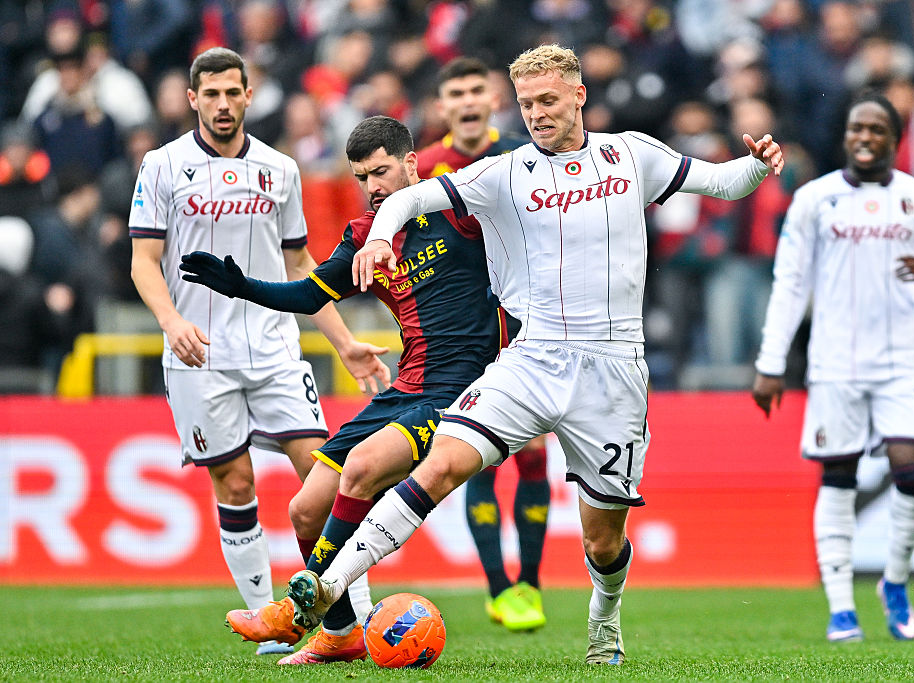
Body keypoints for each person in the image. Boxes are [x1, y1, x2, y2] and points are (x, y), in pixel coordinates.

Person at [273, 43, 784, 665]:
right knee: (440, 464)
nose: (537, 114)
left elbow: (722, 180)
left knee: (603, 539)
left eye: (547, 100)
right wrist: (380, 238)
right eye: (526, 104)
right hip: (533, 357)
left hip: (613, 370)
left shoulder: (632, 154)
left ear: (579, 96)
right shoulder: (505, 172)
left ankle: (605, 618)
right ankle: (328, 584)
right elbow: (409, 199)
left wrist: (757, 166)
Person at [179, 114, 518, 664]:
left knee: (361, 468)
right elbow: (310, 295)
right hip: (406, 387)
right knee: (304, 510)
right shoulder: (365, 236)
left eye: (382, 171)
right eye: (363, 177)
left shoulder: (462, 213)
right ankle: (340, 634)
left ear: (412, 163)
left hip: (464, 390)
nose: (374, 186)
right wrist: (242, 287)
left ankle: (300, 605)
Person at [128, 47, 390, 656]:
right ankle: (266, 618)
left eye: (232, 93)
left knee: (325, 479)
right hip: (200, 353)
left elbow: (301, 264)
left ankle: (358, 619)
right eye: (210, 94)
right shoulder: (162, 166)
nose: (222, 104)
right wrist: (171, 322)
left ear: (250, 95)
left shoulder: (280, 169)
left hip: (275, 348)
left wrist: (346, 343)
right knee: (234, 478)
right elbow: (143, 262)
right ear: (193, 99)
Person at [751, 91, 914, 643]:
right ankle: (841, 608)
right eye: (856, 129)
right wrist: (771, 362)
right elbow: (790, 282)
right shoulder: (815, 199)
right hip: (835, 362)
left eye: (876, 130)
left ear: (894, 139)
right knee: (837, 476)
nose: (865, 138)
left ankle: (894, 581)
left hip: (901, 362)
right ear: (845, 135)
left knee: (911, 471)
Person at [418, 55, 549, 632]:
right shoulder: (424, 170)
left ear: (493, 98)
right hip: (466, 337)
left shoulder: (526, 156)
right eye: (456, 93)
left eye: (477, 89)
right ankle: (500, 588)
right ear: (442, 107)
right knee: (479, 462)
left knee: (536, 456)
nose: (468, 101)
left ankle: (533, 585)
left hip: (528, 329)